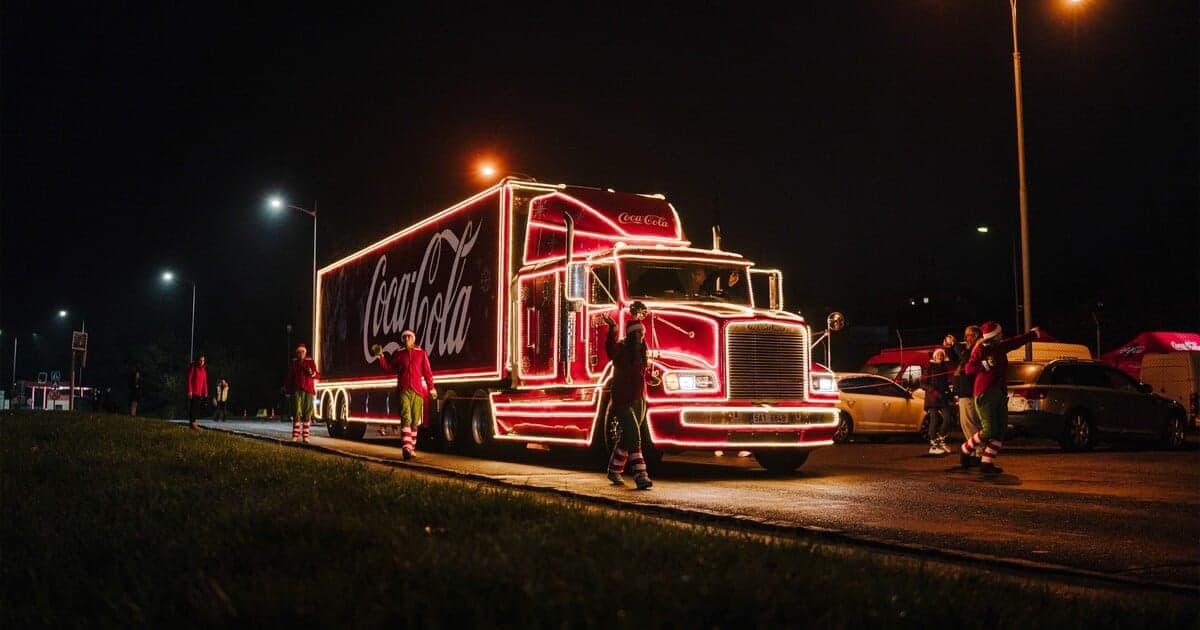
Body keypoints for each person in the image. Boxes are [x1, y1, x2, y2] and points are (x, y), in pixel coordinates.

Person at [961, 321, 1040, 474]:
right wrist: (985, 365)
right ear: (994, 335)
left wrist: (1032, 334)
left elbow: (1016, 342)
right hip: (984, 393)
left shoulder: (1000, 346)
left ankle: (986, 462)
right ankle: (966, 448)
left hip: (999, 392)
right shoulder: (981, 349)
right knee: (989, 429)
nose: (1002, 335)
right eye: (1000, 333)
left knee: (1001, 429)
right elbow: (969, 369)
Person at [602, 301, 654, 490]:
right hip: (623, 400)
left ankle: (613, 470)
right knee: (635, 437)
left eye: (642, 334)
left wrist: (650, 377)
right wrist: (612, 329)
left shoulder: (641, 352)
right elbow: (610, 349)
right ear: (631, 335)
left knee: (627, 438)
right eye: (637, 334)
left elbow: (640, 373)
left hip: (638, 399)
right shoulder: (621, 350)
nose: (640, 337)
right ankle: (641, 475)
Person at [371, 329, 435, 460]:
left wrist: (431, 388)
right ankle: (406, 447)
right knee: (406, 417)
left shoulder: (421, 354)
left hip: (417, 391)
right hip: (403, 390)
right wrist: (381, 357)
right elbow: (389, 368)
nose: (406, 339)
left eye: (409, 337)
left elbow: (427, 372)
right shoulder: (399, 354)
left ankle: (412, 448)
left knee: (415, 421)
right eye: (404, 337)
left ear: (413, 339)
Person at [948, 325, 984, 466]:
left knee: (971, 423)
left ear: (975, 336)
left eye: (968, 335)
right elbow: (956, 361)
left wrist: (956, 345)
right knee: (966, 424)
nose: (966, 338)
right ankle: (975, 451)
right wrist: (949, 348)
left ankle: (979, 451)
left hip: (969, 391)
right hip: (963, 392)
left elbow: (966, 359)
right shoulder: (969, 349)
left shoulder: (977, 348)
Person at [921, 348, 955, 455]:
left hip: (942, 398)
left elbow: (945, 384)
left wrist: (950, 396)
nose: (940, 357)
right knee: (934, 420)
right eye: (938, 355)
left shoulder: (944, 367)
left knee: (948, 418)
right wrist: (933, 391)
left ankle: (941, 440)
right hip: (932, 399)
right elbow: (923, 383)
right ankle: (933, 445)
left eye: (942, 355)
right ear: (934, 357)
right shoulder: (929, 367)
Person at [285, 343, 320, 443]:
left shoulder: (310, 362)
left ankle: (305, 436)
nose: (301, 354)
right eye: (299, 352)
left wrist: (311, 373)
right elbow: (290, 378)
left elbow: (317, 375)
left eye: (303, 352)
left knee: (307, 413)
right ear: (297, 353)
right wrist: (288, 390)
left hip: (308, 390)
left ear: (305, 352)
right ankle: (295, 436)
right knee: (296, 412)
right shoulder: (294, 363)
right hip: (296, 390)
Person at [186, 355, 208, 432]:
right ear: (197, 360)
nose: (201, 362)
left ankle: (193, 423)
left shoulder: (204, 370)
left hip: (199, 392)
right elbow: (189, 379)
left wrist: (205, 392)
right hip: (193, 391)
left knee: (197, 407)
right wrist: (189, 391)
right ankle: (192, 423)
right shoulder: (194, 368)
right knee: (193, 407)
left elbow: (204, 382)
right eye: (200, 360)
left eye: (203, 360)